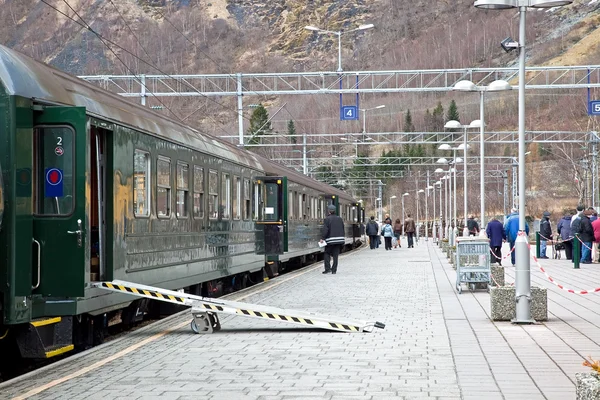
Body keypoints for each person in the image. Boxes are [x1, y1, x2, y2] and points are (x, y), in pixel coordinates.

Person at [320, 205, 345, 274]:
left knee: (327, 253)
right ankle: (334, 270)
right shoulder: (339, 218)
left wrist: (322, 238)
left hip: (330, 241)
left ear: (329, 211)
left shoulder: (327, 219)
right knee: (335, 256)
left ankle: (328, 269)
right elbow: (342, 228)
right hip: (339, 240)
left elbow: (325, 230)